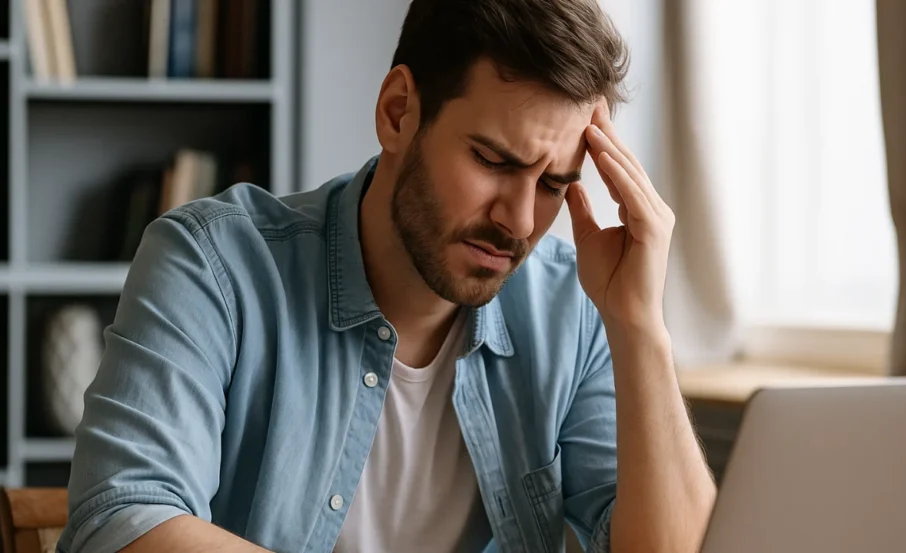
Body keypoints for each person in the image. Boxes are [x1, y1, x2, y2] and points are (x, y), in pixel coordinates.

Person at [56, 0, 716, 551]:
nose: (518, 220)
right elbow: (124, 520)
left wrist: (640, 327)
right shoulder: (214, 264)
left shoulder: (573, 308)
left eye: (553, 183)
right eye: (492, 160)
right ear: (399, 111)